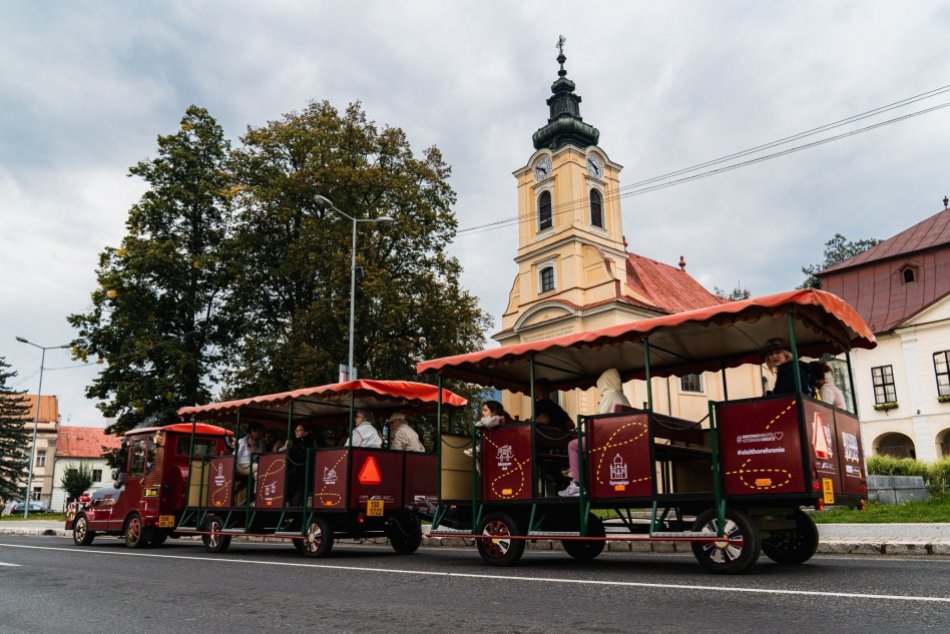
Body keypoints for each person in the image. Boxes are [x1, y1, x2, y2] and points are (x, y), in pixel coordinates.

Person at [560, 369, 631, 497]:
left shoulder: (610, 396)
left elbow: (598, 422)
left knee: (573, 445)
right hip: (620, 438)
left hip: (607, 440)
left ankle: (577, 484)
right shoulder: (621, 396)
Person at [284, 423, 317, 506]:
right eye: (296, 430)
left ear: (306, 432)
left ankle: (306, 502)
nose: (296, 432)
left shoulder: (311, 441)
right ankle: (288, 501)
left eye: (299, 430)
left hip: (307, 469)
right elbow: (283, 452)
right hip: (296, 469)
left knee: (305, 486)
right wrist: (285, 447)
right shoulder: (292, 442)